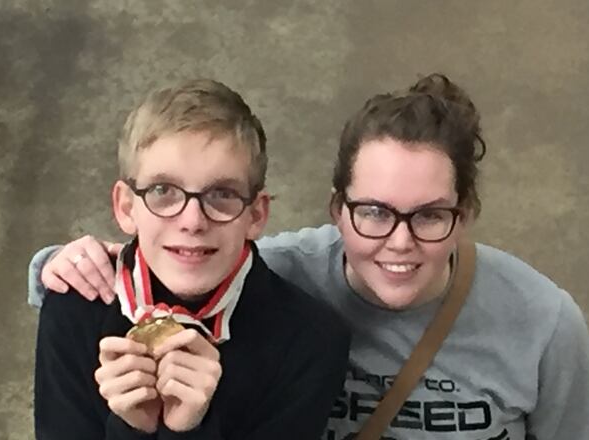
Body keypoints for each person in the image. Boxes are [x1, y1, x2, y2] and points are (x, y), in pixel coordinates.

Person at [30, 74, 589, 439]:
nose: (399, 242)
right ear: (338, 209)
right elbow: (185, 259)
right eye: (375, 212)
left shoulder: (543, 323)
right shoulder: (286, 271)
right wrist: (60, 267)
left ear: (466, 214)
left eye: (430, 215)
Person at [33, 78, 351, 439]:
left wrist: (188, 431)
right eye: (163, 191)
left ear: (256, 215)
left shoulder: (311, 342)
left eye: (222, 193)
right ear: (125, 207)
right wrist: (131, 427)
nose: (193, 221)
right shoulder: (75, 309)